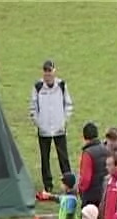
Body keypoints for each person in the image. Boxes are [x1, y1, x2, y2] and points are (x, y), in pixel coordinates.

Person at [29, 60, 73, 193]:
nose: (48, 74)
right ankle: (47, 184)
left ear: (54, 71)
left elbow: (68, 105)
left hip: (59, 129)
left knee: (63, 157)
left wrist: (63, 121)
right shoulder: (37, 87)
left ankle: (68, 183)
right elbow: (33, 108)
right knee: (45, 158)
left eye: (50, 71)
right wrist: (39, 123)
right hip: (44, 131)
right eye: (46, 71)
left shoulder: (61, 86)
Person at [77, 122, 109, 207]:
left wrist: (80, 189)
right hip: (105, 192)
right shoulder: (105, 149)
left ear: (84, 136)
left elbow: (85, 179)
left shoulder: (88, 153)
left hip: (91, 196)